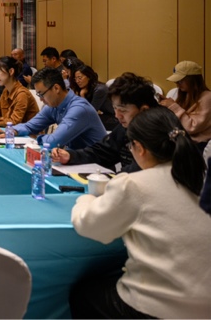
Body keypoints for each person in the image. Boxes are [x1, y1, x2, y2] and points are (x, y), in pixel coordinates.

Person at [69, 107, 210, 319]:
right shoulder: (199, 178)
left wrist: (86, 199)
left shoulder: (134, 184)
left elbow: (89, 226)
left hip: (160, 307)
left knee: (83, 294)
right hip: (204, 306)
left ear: (140, 148)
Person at [52, 72, 156, 173]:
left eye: (123, 110)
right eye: (115, 108)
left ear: (143, 110)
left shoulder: (157, 132)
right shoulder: (127, 125)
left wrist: (118, 179)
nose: (117, 115)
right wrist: (70, 156)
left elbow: (140, 170)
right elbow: (103, 151)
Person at [9, 67, 107, 149]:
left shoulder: (79, 109)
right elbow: (30, 126)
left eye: (41, 94)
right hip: (75, 158)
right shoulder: (53, 105)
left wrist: (36, 138)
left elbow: (53, 142)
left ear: (56, 88)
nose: (41, 99)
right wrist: (12, 131)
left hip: (96, 163)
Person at [158, 60, 211, 145]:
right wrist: (167, 105)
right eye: (176, 82)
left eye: (180, 81)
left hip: (198, 145)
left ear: (192, 80)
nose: (177, 84)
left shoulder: (207, 98)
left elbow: (191, 127)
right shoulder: (186, 94)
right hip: (184, 140)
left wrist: (173, 106)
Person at [70, 64, 119, 130]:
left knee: (82, 121)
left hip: (115, 119)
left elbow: (90, 112)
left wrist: (82, 96)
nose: (77, 81)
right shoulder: (87, 89)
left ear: (89, 77)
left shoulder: (100, 90)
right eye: (75, 79)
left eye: (79, 78)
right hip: (106, 116)